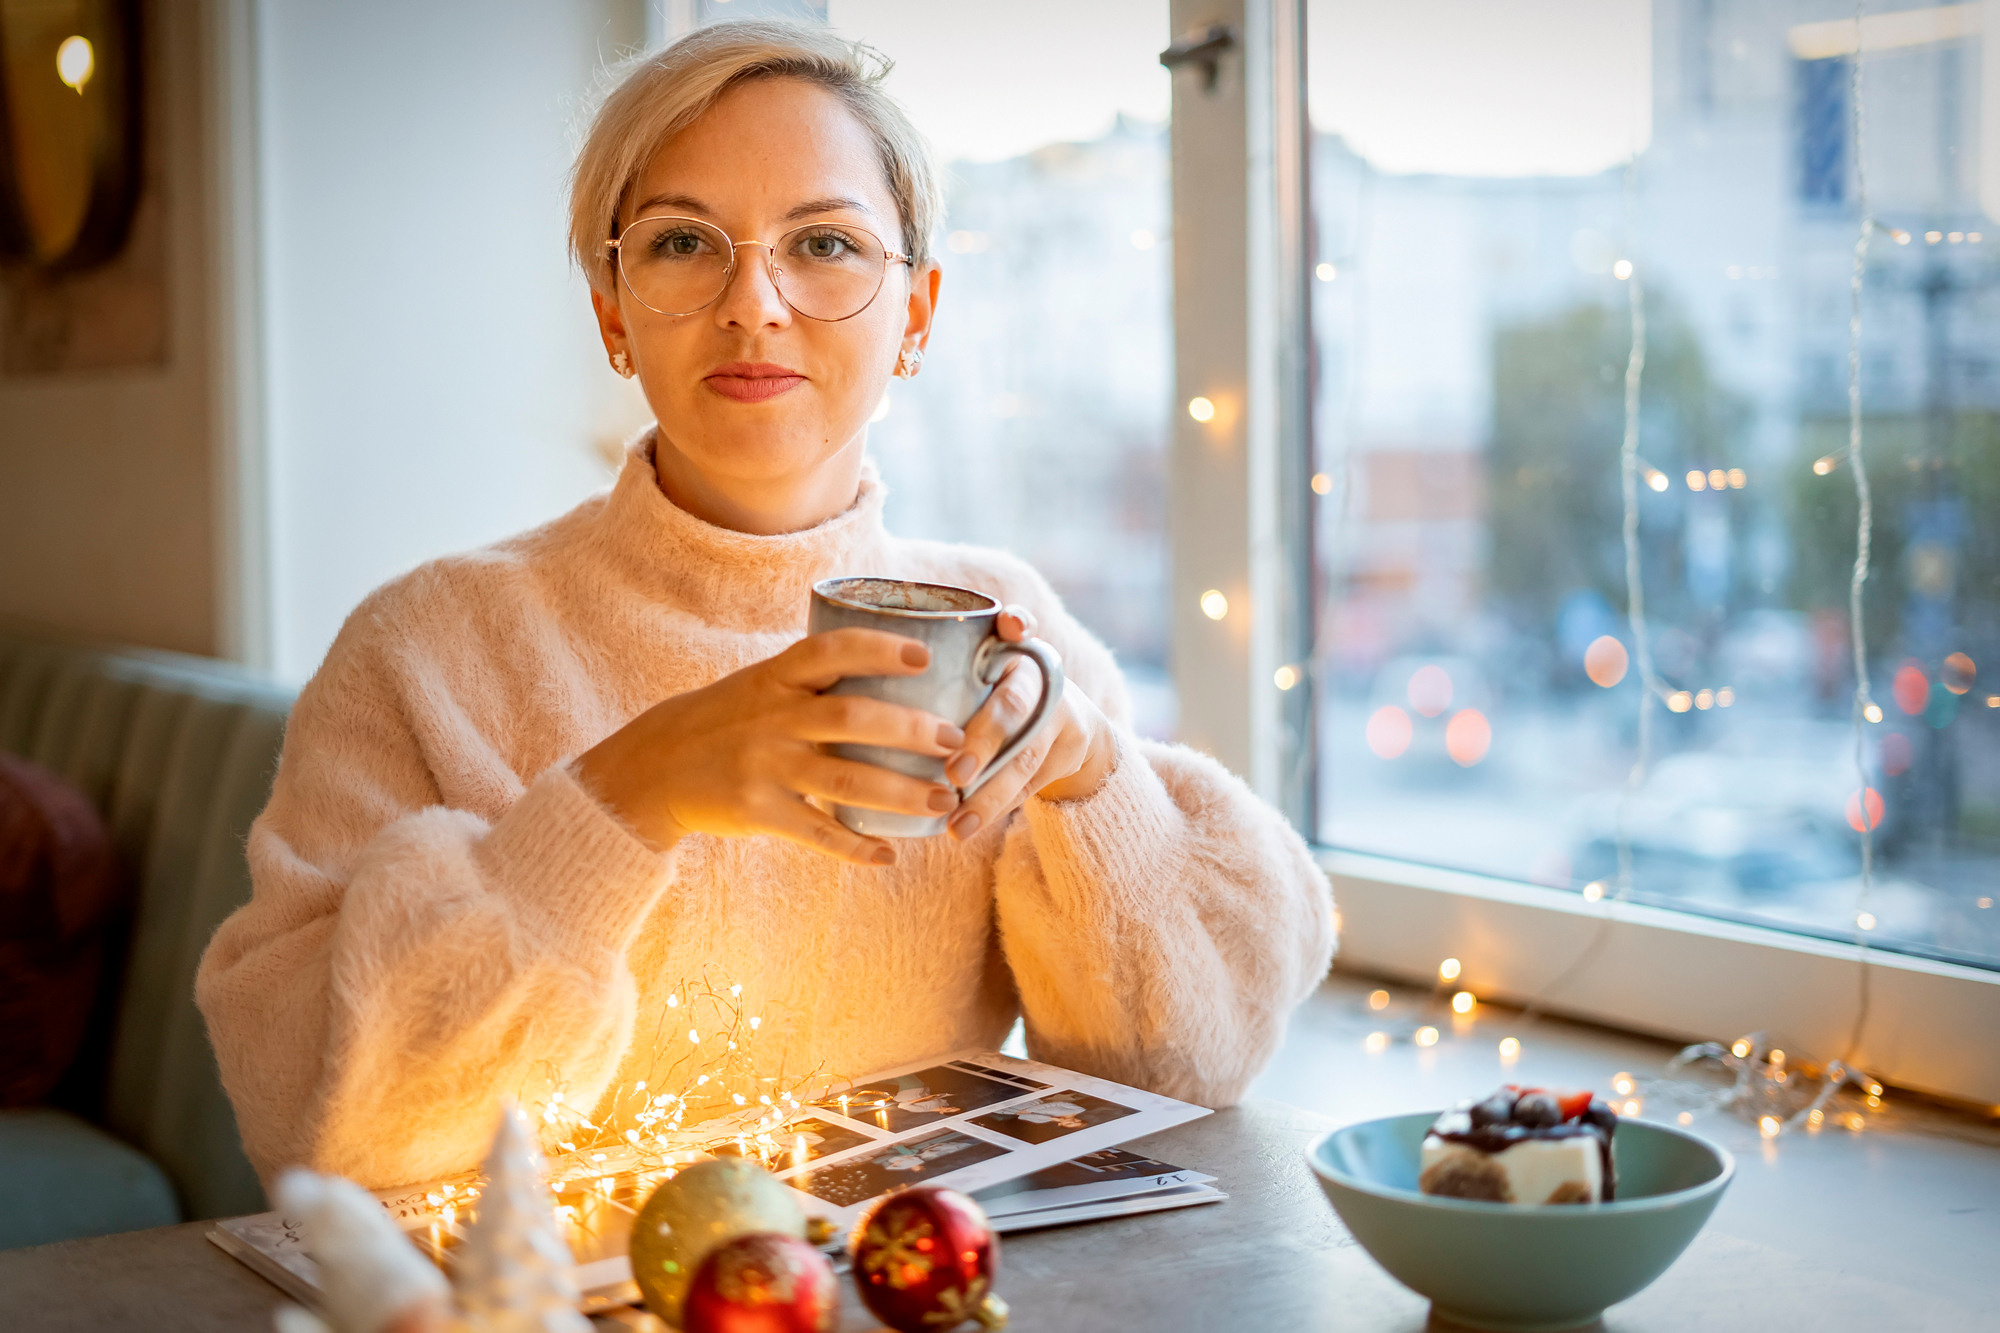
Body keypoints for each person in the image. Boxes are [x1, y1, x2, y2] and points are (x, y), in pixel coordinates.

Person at [196, 19, 1335, 1189]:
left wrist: (1088, 775)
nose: (752, 302)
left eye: (824, 242)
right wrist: (627, 795)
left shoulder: (1004, 630)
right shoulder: (424, 649)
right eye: (683, 241)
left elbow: (1172, 1077)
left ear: (917, 315)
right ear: (612, 312)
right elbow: (315, 1128)